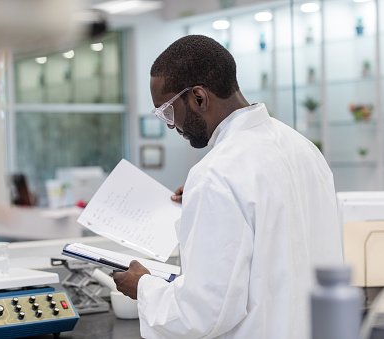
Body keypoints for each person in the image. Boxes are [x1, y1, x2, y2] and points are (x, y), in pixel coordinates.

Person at [113, 35, 343, 339]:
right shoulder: (303, 149)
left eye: (167, 111)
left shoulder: (215, 173)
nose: (170, 125)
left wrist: (143, 286)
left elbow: (202, 313)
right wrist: (202, 203)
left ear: (198, 97)